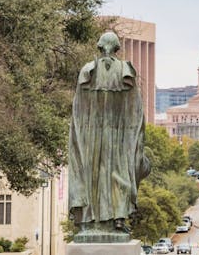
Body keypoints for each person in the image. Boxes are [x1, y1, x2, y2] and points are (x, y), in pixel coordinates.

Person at [68, 31, 150, 242]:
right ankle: (115, 219)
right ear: (116, 48)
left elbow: (77, 110)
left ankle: (94, 220)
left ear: (100, 46)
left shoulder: (88, 71)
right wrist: (133, 138)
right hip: (117, 136)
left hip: (93, 135)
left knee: (92, 176)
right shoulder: (125, 71)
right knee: (116, 175)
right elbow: (137, 113)